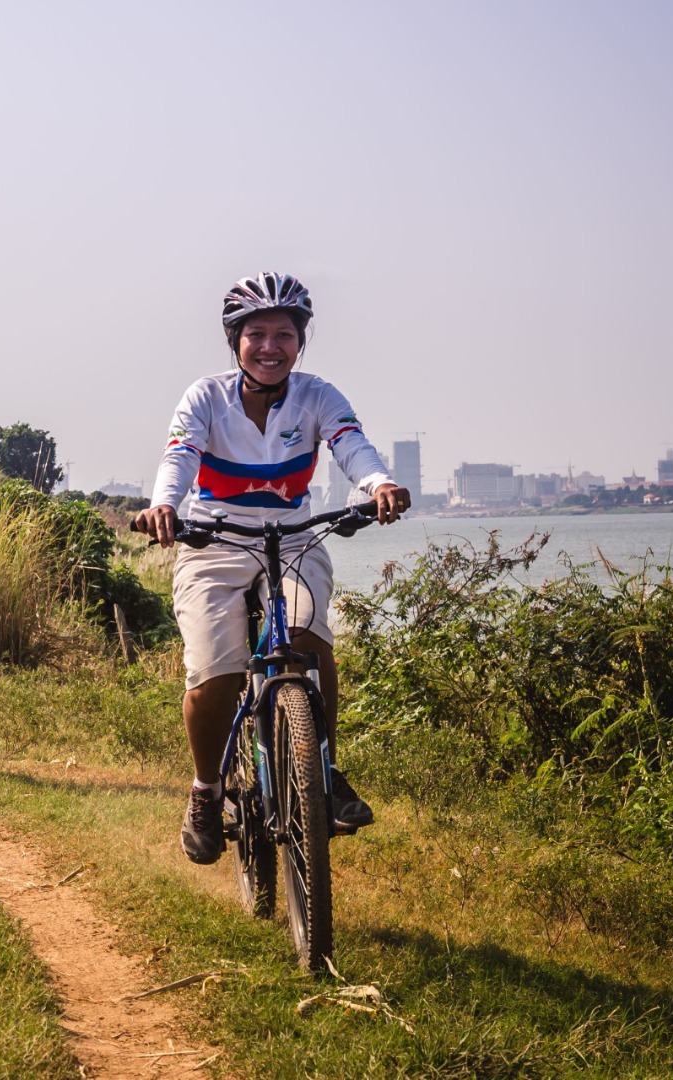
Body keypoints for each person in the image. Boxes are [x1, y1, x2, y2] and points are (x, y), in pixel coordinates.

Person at [136, 272, 409, 866]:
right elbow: (180, 454)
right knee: (215, 673)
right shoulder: (205, 397)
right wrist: (165, 505)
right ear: (234, 341)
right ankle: (206, 791)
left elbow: (351, 443)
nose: (269, 347)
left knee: (309, 638)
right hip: (213, 540)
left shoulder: (318, 395)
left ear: (300, 342)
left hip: (294, 538)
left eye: (283, 334)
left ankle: (324, 769)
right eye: (255, 334)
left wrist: (378, 483)